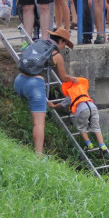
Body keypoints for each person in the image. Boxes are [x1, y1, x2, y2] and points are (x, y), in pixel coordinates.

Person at [13, 26, 77, 155]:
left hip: (19, 80)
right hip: (35, 86)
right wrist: (74, 79)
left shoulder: (38, 43)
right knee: (39, 124)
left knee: (29, 111)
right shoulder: (56, 55)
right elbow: (63, 78)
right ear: (61, 41)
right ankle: (38, 155)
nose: (64, 47)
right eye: (65, 44)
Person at [52, 75, 108, 152]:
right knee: (96, 128)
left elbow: (62, 104)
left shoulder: (71, 93)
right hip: (93, 107)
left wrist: (54, 106)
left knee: (82, 128)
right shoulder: (83, 89)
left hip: (82, 109)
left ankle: (89, 144)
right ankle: (102, 145)